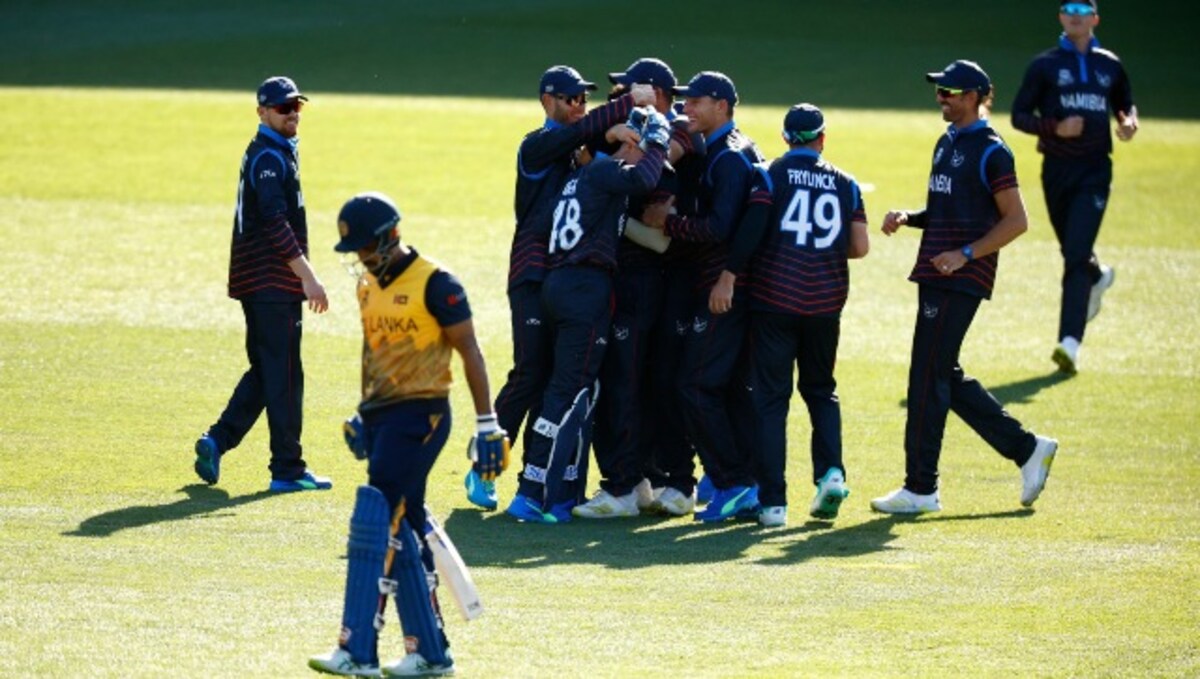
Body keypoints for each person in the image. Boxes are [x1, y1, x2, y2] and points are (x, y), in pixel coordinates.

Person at [309, 192, 506, 677]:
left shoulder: (437, 284)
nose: (360, 258)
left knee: (377, 516)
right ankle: (431, 653)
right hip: (383, 417)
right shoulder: (368, 287)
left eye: (365, 248)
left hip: (423, 416)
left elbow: (471, 352)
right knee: (407, 519)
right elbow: (377, 355)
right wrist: (363, 414)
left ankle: (358, 650)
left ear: (390, 236)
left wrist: (488, 424)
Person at [870, 60, 1059, 515]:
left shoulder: (993, 151)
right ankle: (1027, 449)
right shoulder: (948, 141)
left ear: (975, 95)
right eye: (939, 91)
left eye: (950, 91)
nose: (942, 98)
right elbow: (950, 211)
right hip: (937, 272)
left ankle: (921, 488)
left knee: (927, 377)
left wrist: (966, 255)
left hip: (960, 277)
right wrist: (909, 218)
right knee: (941, 374)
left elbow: (1016, 220)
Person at [483, 66, 655, 511]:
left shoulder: (584, 152)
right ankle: (487, 470)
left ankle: (546, 487)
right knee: (531, 376)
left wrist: (620, 126)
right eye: (570, 97)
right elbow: (621, 164)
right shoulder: (537, 146)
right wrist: (630, 109)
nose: (578, 104)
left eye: (583, 98)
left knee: (557, 383)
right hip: (534, 272)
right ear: (547, 100)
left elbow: (603, 149)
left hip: (559, 274)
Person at [193, 76, 331, 493]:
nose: (292, 114)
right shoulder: (268, 158)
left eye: (296, 107)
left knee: (269, 370)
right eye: (282, 108)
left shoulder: (274, 151)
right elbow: (274, 221)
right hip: (271, 283)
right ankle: (287, 469)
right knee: (286, 374)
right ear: (262, 113)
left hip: (263, 282)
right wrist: (308, 276)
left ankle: (216, 440)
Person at [735, 104, 869, 527]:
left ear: (786, 138)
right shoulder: (845, 183)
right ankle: (830, 473)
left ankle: (773, 502)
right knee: (821, 390)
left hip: (774, 298)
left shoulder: (769, 174)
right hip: (825, 304)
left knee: (771, 401)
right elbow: (860, 246)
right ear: (822, 139)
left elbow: (755, 228)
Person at [642, 71, 764, 522]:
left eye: (696, 101)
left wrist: (666, 222)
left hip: (724, 288)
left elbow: (720, 228)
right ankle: (742, 482)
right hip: (732, 285)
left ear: (723, 106)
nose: (685, 107)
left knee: (693, 384)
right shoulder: (730, 150)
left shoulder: (728, 158)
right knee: (729, 389)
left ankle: (732, 483)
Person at [1011, 0, 1138, 374]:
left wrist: (1128, 122)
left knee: (1074, 255)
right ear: (1061, 18)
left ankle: (1069, 343)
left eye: (1084, 8)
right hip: (1056, 170)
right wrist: (1055, 128)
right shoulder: (1045, 66)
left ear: (1095, 19)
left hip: (1096, 170)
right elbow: (1019, 115)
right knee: (1074, 250)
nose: (1076, 14)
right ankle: (1098, 277)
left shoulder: (1110, 64)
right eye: (1068, 8)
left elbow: (1125, 104)